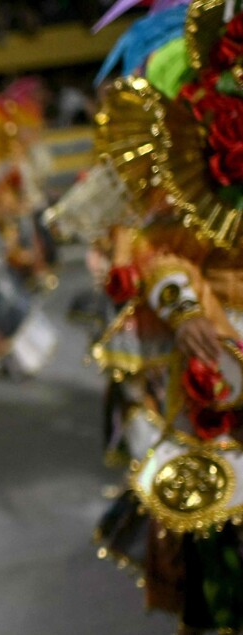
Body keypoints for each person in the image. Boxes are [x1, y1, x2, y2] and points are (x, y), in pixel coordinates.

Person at [86, 2, 243, 632]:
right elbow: (156, 249)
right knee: (217, 529)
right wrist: (183, 312)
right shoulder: (197, 145)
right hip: (220, 352)